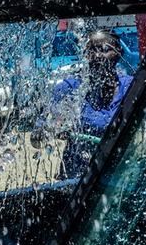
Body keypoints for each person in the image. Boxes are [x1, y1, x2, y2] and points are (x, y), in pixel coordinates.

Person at [43, 29, 133, 177]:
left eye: (104, 49)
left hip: (116, 173)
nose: (97, 55)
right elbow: (37, 135)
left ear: (119, 53)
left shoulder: (131, 87)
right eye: (91, 50)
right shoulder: (69, 88)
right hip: (76, 176)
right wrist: (53, 127)